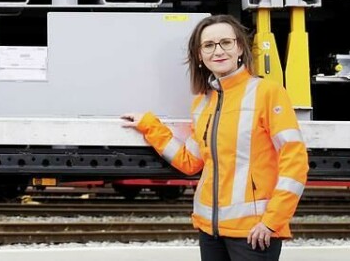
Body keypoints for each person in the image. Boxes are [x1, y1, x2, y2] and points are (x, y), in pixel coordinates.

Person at [121, 14, 309, 261]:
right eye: (208, 45)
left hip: (255, 232)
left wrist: (272, 222)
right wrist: (149, 126)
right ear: (200, 55)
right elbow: (191, 162)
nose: (218, 51)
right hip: (210, 231)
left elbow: (295, 162)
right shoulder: (203, 103)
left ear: (240, 47)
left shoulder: (267, 93)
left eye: (226, 43)